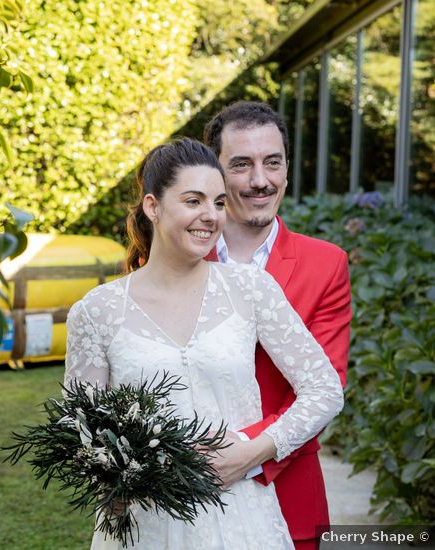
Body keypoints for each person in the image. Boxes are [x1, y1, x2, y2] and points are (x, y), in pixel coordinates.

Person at [64, 138, 344, 549]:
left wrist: (251, 451)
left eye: (217, 203)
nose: (210, 217)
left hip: (241, 519)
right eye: (193, 201)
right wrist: (126, 475)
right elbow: (83, 432)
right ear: (152, 206)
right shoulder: (98, 311)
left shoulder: (250, 289)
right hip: (145, 526)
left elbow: (325, 389)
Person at [202, 101, 351, 550]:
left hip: (287, 497)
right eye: (241, 165)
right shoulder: (178, 260)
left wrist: (237, 452)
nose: (260, 181)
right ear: (216, 173)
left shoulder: (326, 265)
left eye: (273, 162)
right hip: (185, 497)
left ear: (287, 168)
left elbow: (325, 385)